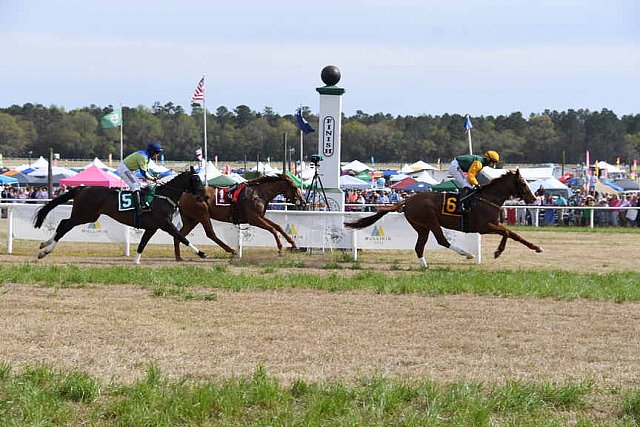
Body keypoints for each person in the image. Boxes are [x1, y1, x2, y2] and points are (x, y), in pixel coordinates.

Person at [117, 140, 163, 228]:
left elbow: (147, 171)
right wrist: (154, 179)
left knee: (141, 185)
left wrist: (153, 178)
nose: (158, 155)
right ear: (152, 151)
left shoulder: (147, 156)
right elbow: (144, 173)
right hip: (124, 169)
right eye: (157, 152)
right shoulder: (143, 157)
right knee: (135, 186)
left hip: (129, 169)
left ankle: (141, 202)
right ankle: (138, 208)